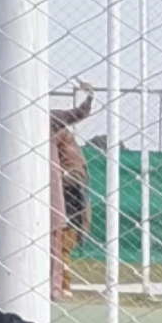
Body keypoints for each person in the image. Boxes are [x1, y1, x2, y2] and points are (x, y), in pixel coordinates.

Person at [50, 83, 94, 298]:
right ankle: (62, 283)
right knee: (63, 241)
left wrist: (89, 96)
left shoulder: (58, 132)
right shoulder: (57, 134)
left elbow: (79, 113)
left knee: (65, 240)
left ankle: (62, 283)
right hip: (69, 187)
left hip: (72, 187)